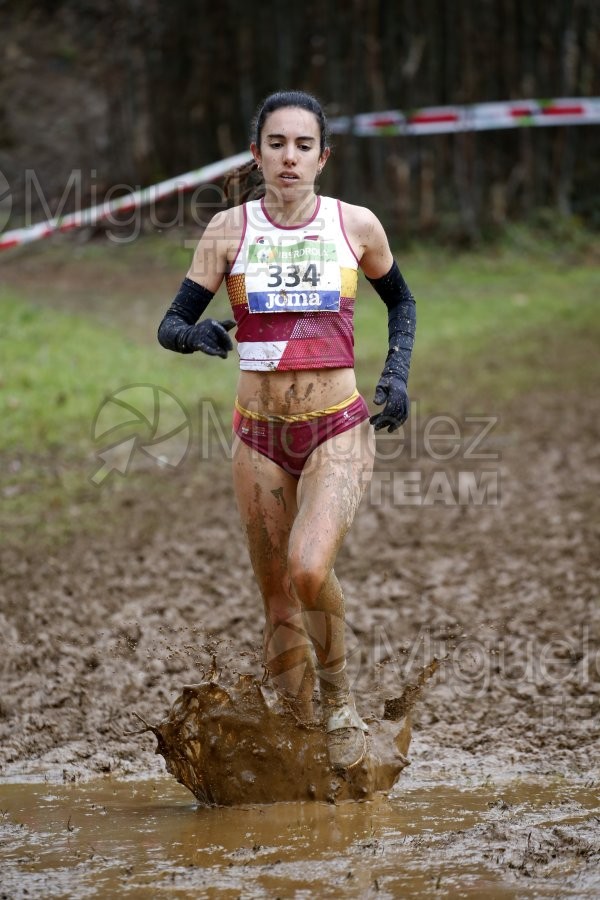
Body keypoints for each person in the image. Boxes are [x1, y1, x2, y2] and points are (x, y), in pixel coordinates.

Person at [157, 90, 416, 770]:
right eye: (277, 144)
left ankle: (340, 707)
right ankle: (301, 739)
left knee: (307, 571)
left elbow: (402, 301)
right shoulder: (228, 231)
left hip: (337, 427)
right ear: (256, 155)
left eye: (304, 145)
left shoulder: (355, 226)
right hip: (258, 437)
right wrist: (196, 334)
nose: (290, 157)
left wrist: (397, 376)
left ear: (322, 157)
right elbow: (170, 323)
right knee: (275, 601)